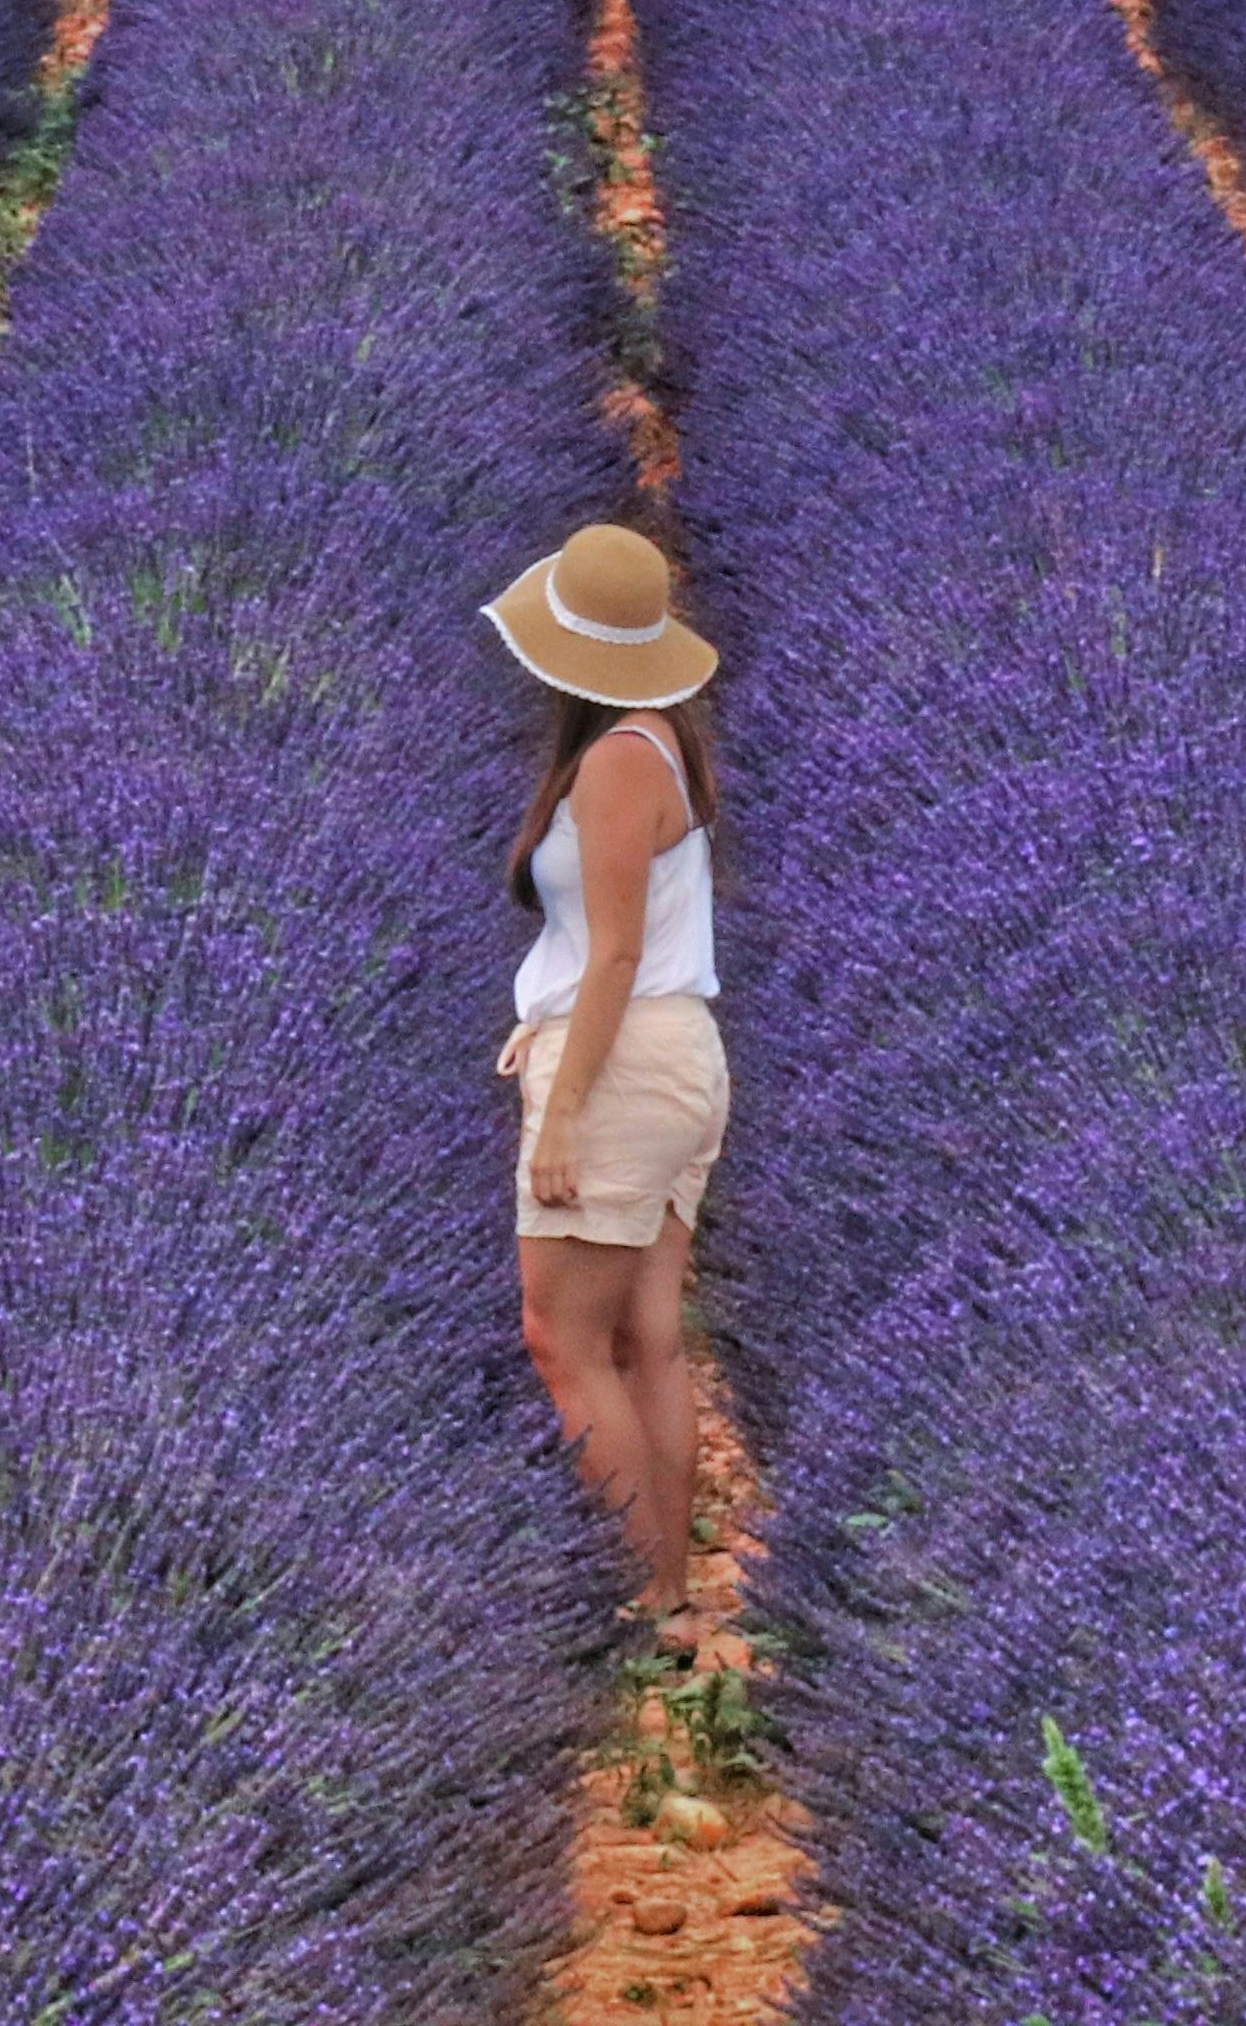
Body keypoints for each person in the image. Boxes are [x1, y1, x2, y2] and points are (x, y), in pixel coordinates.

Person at [492, 518, 730, 1652]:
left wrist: (567, 1107)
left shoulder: (618, 762)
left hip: (623, 1061)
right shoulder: (659, 741)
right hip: (673, 1055)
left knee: (561, 1337)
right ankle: (670, 1598)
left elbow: (616, 953)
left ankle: (648, 1605)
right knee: (645, 1335)